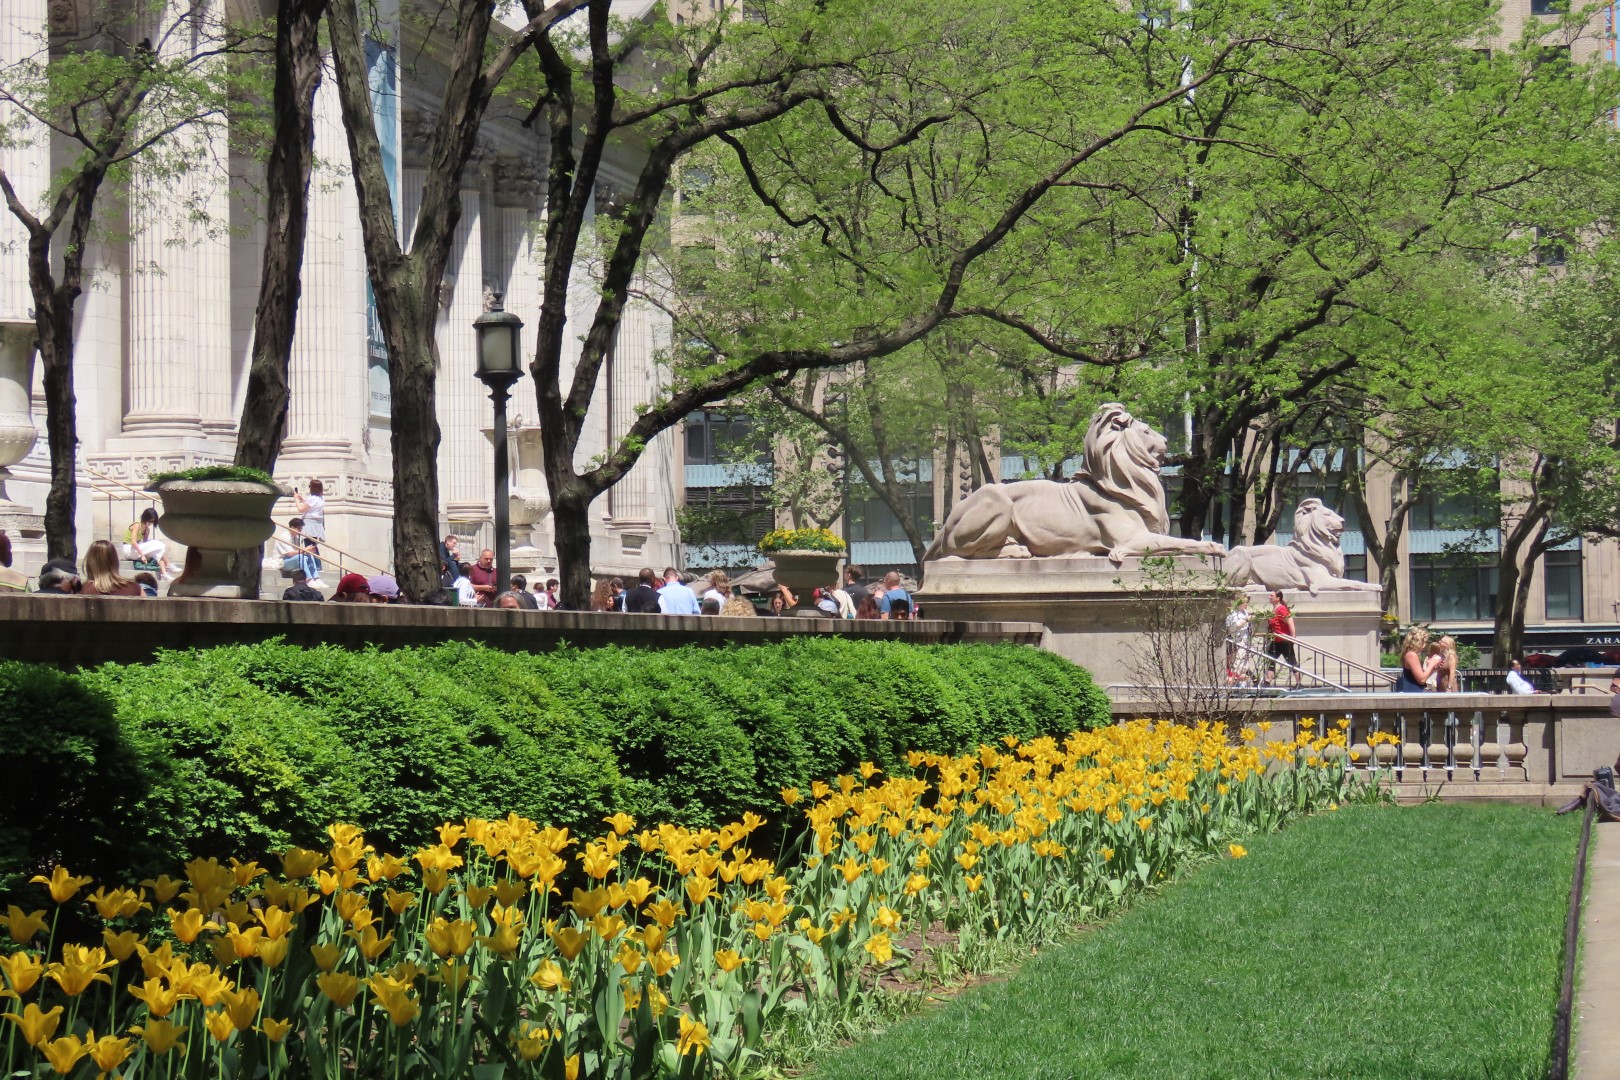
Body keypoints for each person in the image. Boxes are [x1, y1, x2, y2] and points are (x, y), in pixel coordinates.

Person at [123, 507, 178, 579]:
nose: (150, 523)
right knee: (157, 543)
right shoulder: (137, 525)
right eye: (149, 521)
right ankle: (168, 565)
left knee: (158, 551)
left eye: (152, 522)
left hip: (136, 549)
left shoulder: (147, 530)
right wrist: (142, 555)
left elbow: (145, 543)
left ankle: (164, 573)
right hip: (128, 549)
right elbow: (133, 542)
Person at [1264, 591, 1299, 688]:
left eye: (1272, 595)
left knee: (1291, 661)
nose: (1269, 597)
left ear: (1278, 598)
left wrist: (1293, 638)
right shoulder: (1274, 609)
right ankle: (1267, 682)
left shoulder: (1281, 609)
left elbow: (1290, 621)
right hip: (1275, 640)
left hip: (1284, 640)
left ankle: (1298, 683)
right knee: (1271, 660)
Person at [292, 480, 325, 583]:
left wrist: (297, 500)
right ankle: (318, 565)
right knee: (313, 544)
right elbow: (310, 505)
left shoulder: (312, 499)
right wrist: (303, 499)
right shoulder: (321, 498)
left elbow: (301, 509)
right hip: (317, 524)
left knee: (309, 545)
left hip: (310, 523)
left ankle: (315, 566)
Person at [1394, 626, 1442, 693]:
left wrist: (1433, 668)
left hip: (1413, 690)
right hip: (1413, 691)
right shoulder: (1411, 655)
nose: (1425, 645)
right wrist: (1432, 663)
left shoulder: (1410, 654)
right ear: (1419, 641)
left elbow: (1423, 677)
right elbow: (1422, 680)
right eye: (1424, 642)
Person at [280, 517, 322, 587]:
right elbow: (290, 554)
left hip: (292, 560)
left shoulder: (296, 537)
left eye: (301, 529)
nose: (300, 531)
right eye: (299, 528)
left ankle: (316, 578)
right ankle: (308, 579)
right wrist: (304, 550)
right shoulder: (284, 537)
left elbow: (296, 552)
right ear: (292, 527)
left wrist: (308, 551)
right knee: (301, 557)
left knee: (309, 555)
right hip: (282, 562)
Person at [1224, 594, 1254, 685]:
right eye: (1245, 603)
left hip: (1246, 640)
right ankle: (1236, 684)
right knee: (1237, 662)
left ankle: (1243, 684)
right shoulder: (1233, 613)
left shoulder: (1245, 612)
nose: (1246, 604)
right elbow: (1234, 627)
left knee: (1244, 663)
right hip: (1237, 641)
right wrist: (1246, 619)